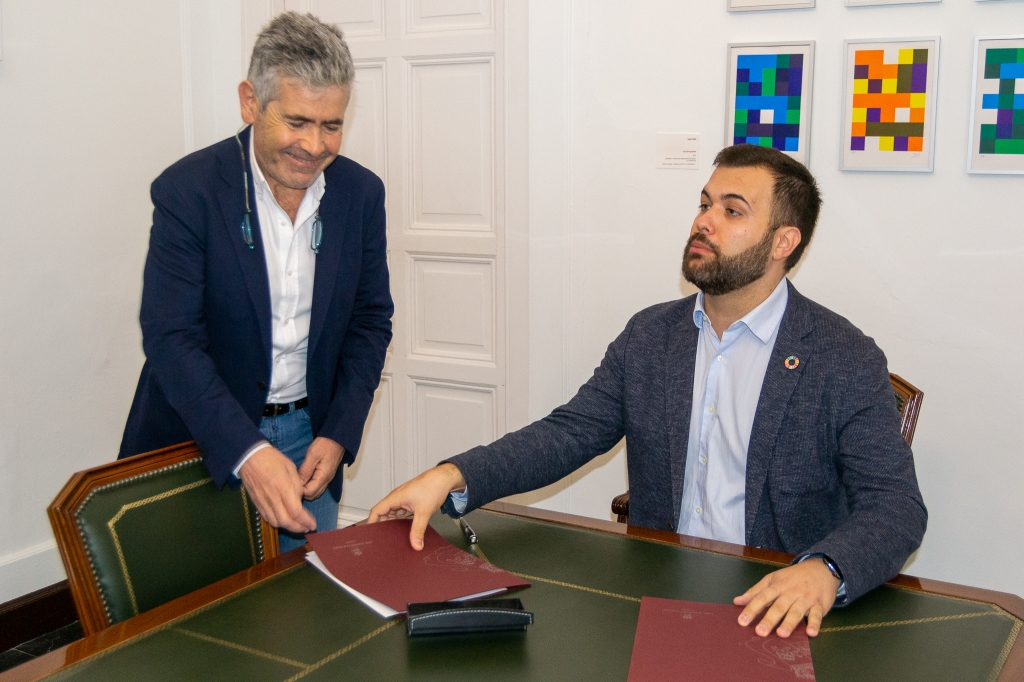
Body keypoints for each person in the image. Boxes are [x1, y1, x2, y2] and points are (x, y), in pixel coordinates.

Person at [369, 144, 926, 638]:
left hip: (774, 608)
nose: (703, 221)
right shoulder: (651, 336)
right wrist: (451, 476)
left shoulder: (843, 357)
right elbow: (570, 433)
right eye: (704, 203)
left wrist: (823, 570)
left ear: (784, 241)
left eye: (732, 211)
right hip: (656, 595)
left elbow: (896, 507)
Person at [119, 12, 393, 552]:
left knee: (304, 617)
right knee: (193, 625)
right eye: (296, 122)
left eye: (331, 125)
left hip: (309, 441)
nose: (315, 146)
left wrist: (339, 431)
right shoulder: (188, 192)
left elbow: (370, 322)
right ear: (251, 102)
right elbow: (170, 338)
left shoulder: (361, 195)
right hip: (198, 438)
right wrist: (247, 451)